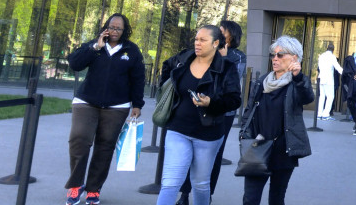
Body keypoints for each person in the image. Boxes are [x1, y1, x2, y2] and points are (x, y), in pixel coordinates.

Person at [156, 25, 242, 205]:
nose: (197, 43)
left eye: (203, 40)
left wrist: (211, 103)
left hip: (208, 134)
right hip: (177, 129)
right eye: (196, 39)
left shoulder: (227, 67)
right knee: (170, 183)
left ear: (215, 43)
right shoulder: (183, 58)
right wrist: (166, 91)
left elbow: (234, 100)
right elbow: (166, 67)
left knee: (200, 184)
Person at [65, 13, 146, 205]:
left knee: (105, 147)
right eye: (111, 27)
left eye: (119, 28)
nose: (114, 31)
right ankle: (76, 185)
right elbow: (75, 64)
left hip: (116, 106)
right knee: (79, 139)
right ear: (106, 27)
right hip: (86, 101)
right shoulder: (95, 45)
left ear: (125, 31)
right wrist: (95, 47)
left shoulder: (131, 51)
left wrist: (137, 104)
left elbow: (138, 79)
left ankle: (94, 189)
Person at [240, 36, 315, 205]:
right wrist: (244, 134)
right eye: (273, 55)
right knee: (250, 198)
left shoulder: (297, 83)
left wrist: (298, 76)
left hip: (283, 150)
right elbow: (249, 110)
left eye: (280, 55)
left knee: (276, 198)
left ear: (294, 58)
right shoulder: (262, 81)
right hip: (258, 147)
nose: (275, 58)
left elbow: (307, 97)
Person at [317, 43, 344, 120]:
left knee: (322, 97)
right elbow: (338, 67)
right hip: (328, 79)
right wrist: (345, 73)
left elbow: (319, 67)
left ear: (327, 48)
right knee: (330, 96)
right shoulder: (332, 57)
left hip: (321, 78)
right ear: (333, 50)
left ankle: (319, 114)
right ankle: (325, 114)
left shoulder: (321, 56)